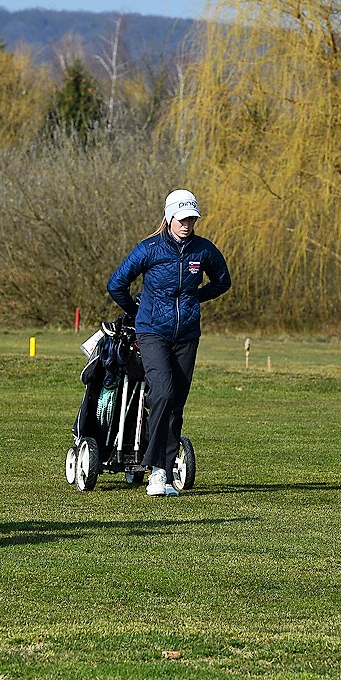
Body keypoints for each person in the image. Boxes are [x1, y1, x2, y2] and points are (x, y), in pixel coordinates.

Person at [107, 189, 231, 496]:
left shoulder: (203, 250)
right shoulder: (149, 249)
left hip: (187, 335)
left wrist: (196, 297)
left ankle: (163, 469)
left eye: (192, 219)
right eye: (182, 218)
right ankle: (155, 470)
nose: (187, 224)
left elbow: (222, 281)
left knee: (176, 402)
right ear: (169, 217)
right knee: (162, 392)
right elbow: (117, 284)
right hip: (152, 333)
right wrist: (137, 312)